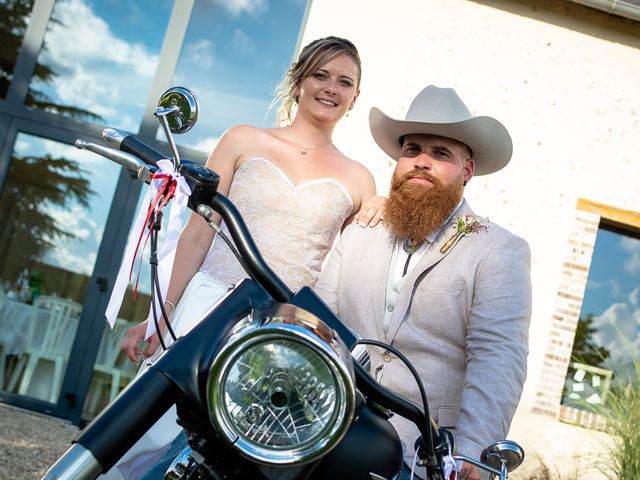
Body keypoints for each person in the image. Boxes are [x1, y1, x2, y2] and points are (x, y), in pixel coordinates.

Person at [108, 36, 380, 480]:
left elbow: (352, 266)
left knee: (229, 458)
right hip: (206, 308)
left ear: (354, 97)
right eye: (320, 75)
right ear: (298, 82)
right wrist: (161, 313)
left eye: (344, 81)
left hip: (277, 332)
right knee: (142, 436)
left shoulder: (361, 179)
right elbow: (198, 235)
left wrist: (380, 206)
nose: (331, 87)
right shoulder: (242, 139)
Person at [314, 85, 532, 480]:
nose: (422, 162)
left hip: (423, 456)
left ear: (467, 171)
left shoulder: (498, 250)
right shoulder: (360, 230)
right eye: (412, 149)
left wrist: (471, 455)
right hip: (325, 435)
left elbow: (498, 359)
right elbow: (321, 324)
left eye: (441, 153)